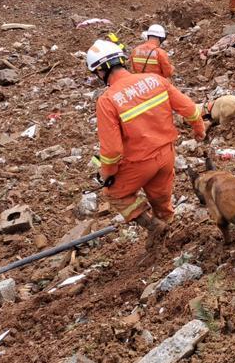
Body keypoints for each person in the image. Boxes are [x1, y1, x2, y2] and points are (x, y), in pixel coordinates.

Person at [86, 39, 205, 249]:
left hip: (138, 162)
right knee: (161, 201)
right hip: (167, 156)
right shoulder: (156, 80)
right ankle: (168, 241)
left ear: (100, 72)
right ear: (122, 61)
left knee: (115, 194)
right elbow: (190, 109)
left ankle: (153, 227)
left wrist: (108, 174)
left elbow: (112, 151)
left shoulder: (108, 100)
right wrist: (199, 129)